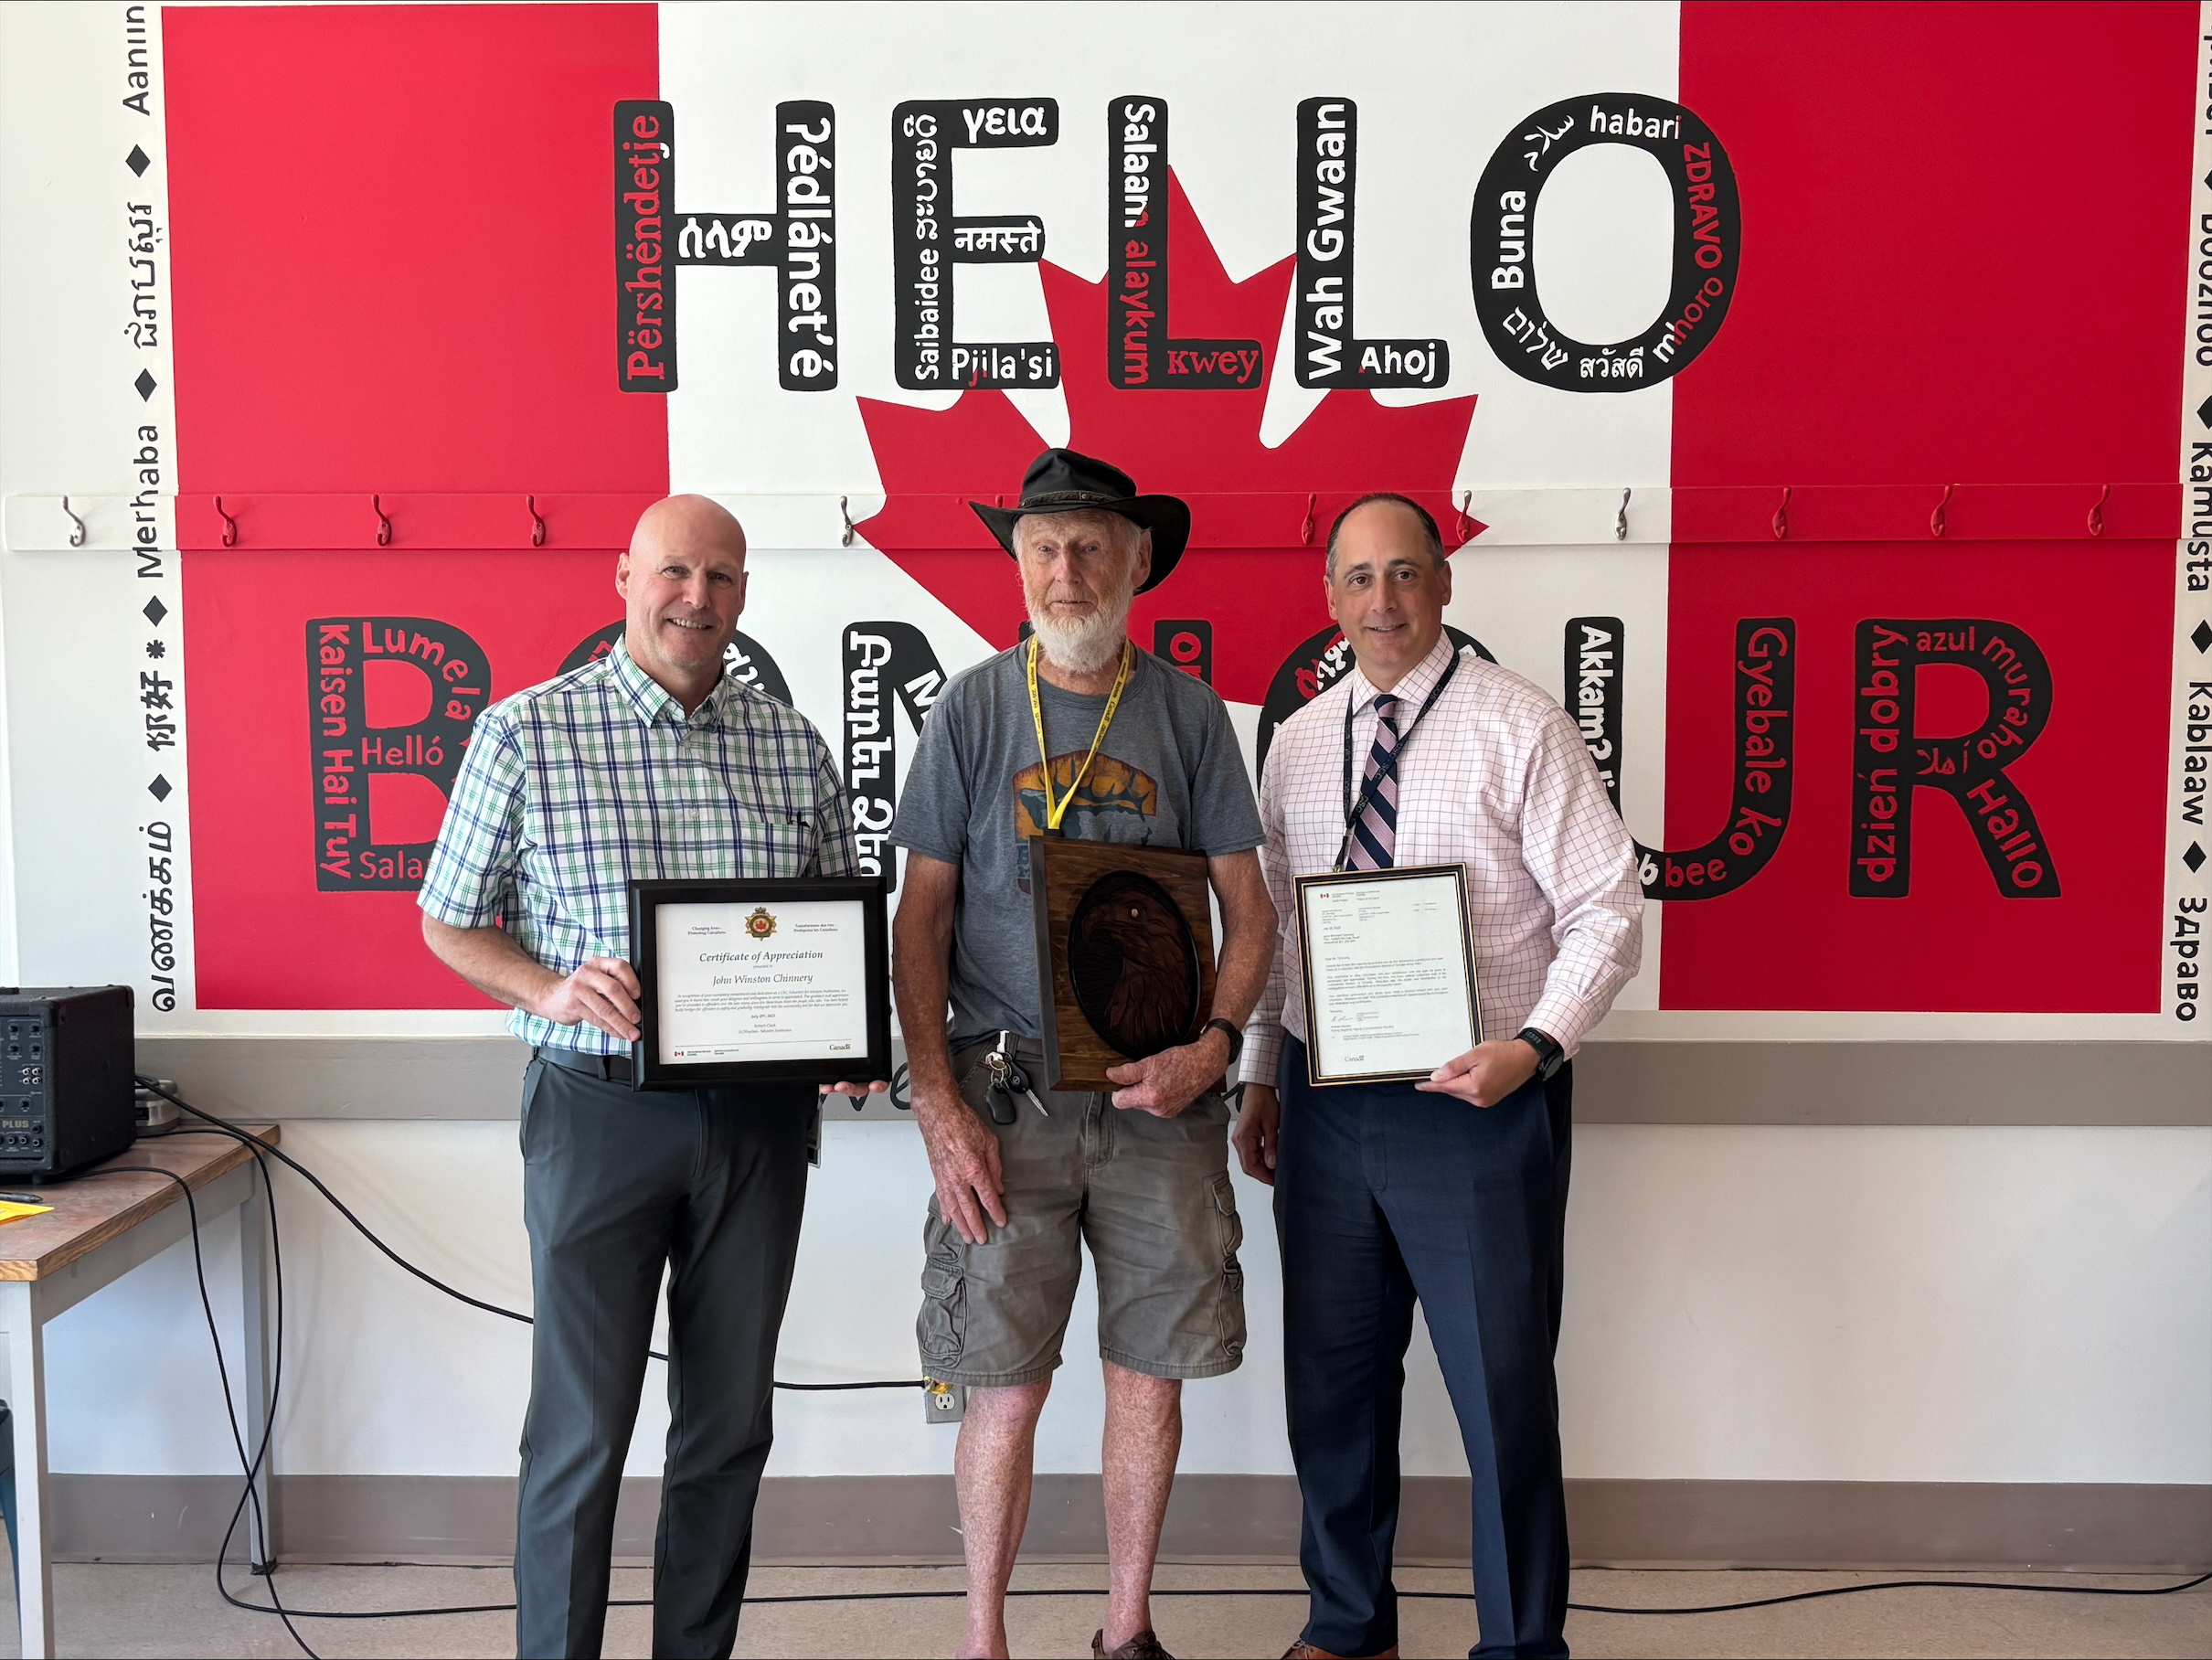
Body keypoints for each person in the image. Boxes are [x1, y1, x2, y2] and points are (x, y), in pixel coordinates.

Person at [418, 495, 877, 1660]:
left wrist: (842, 1040)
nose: (696, 597)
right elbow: (447, 921)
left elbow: (834, 924)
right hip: (597, 1111)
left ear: (743, 594)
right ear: (624, 577)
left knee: (727, 1426)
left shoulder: (792, 744)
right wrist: (549, 989)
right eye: (674, 571)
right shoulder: (527, 733)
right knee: (579, 1430)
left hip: (759, 1123)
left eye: (720, 577)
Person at [1234, 495, 1643, 1660]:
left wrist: (1535, 1047)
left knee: (1498, 1391)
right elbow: (1275, 935)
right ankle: (1347, 1624)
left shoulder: (1520, 723)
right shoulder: (1298, 740)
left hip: (1480, 1099)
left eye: (1405, 573)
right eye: (1358, 578)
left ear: (1444, 583)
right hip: (1325, 1103)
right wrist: (1260, 1076)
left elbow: (1608, 909)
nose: (1383, 601)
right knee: (1332, 1383)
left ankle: (1517, 1644)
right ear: (1328, 597)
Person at [891, 449, 1278, 1660]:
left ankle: (1127, 1630)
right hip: (1004, 1100)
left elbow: (1251, 911)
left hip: (1160, 1098)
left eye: (1093, 546)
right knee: (1003, 1384)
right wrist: (938, 1105)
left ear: (1139, 560)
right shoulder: (970, 710)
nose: (1067, 569)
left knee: (1148, 1377)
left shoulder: (1189, 715)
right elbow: (920, 920)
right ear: (1017, 563)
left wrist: (1215, 1047)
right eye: (1044, 546)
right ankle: (983, 1639)